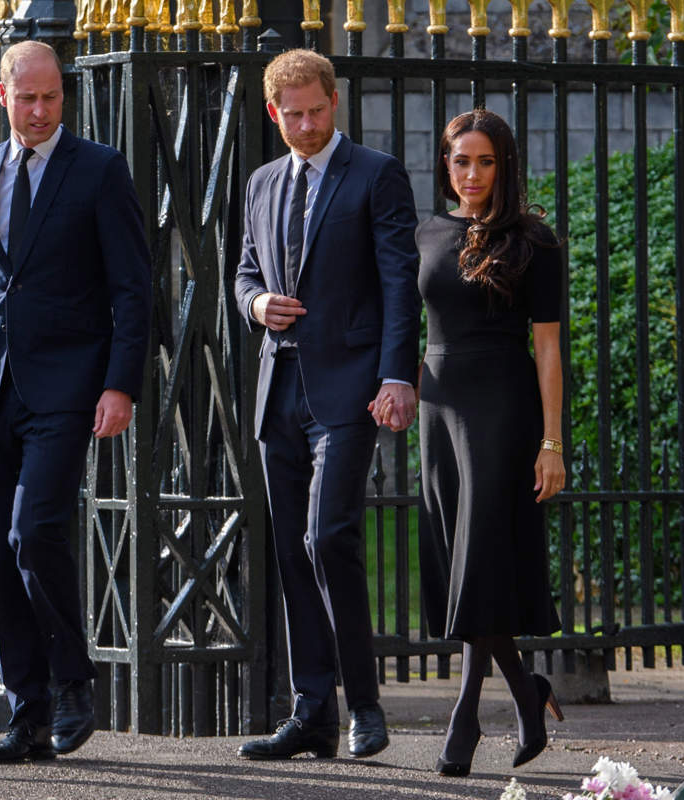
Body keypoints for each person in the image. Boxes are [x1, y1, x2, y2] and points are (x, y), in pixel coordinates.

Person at [0, 40, 151, 763]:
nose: (38, 110)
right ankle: (25, 716)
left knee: (33, 531)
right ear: (3, 96)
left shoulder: (99, 170)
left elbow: (132, 287)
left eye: (51, 98)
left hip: (70, 387)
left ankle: (73, 681)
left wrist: (120, 383)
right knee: (0, 552)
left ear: (65, 96)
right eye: (25, 98)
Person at [232, 49, 421, 761]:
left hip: (349, 391)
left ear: (334, 102)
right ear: (272, 112)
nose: (306, 126)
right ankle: (311, 711)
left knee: (327, 537)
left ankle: (364, 707)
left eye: (317, 111)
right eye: (293, 115)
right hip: (276, 391)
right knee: (287, 550)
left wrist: (396, 376)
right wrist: (255, 302)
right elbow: (245, 268)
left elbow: (399, 283)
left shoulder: (376, 175)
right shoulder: (259, 183)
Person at [409, 109, 566, 777]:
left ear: (503, 166)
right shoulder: (426, 232)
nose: (470, 174)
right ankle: (528, 695)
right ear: (445, 165)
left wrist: (552, 442)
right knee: (461, 561)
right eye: (459, 160)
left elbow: (550, 349)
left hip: (502, 406)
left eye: (484, 162)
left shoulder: (533, 239)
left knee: (478, 559)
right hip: (438, 404)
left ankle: (464, 718)